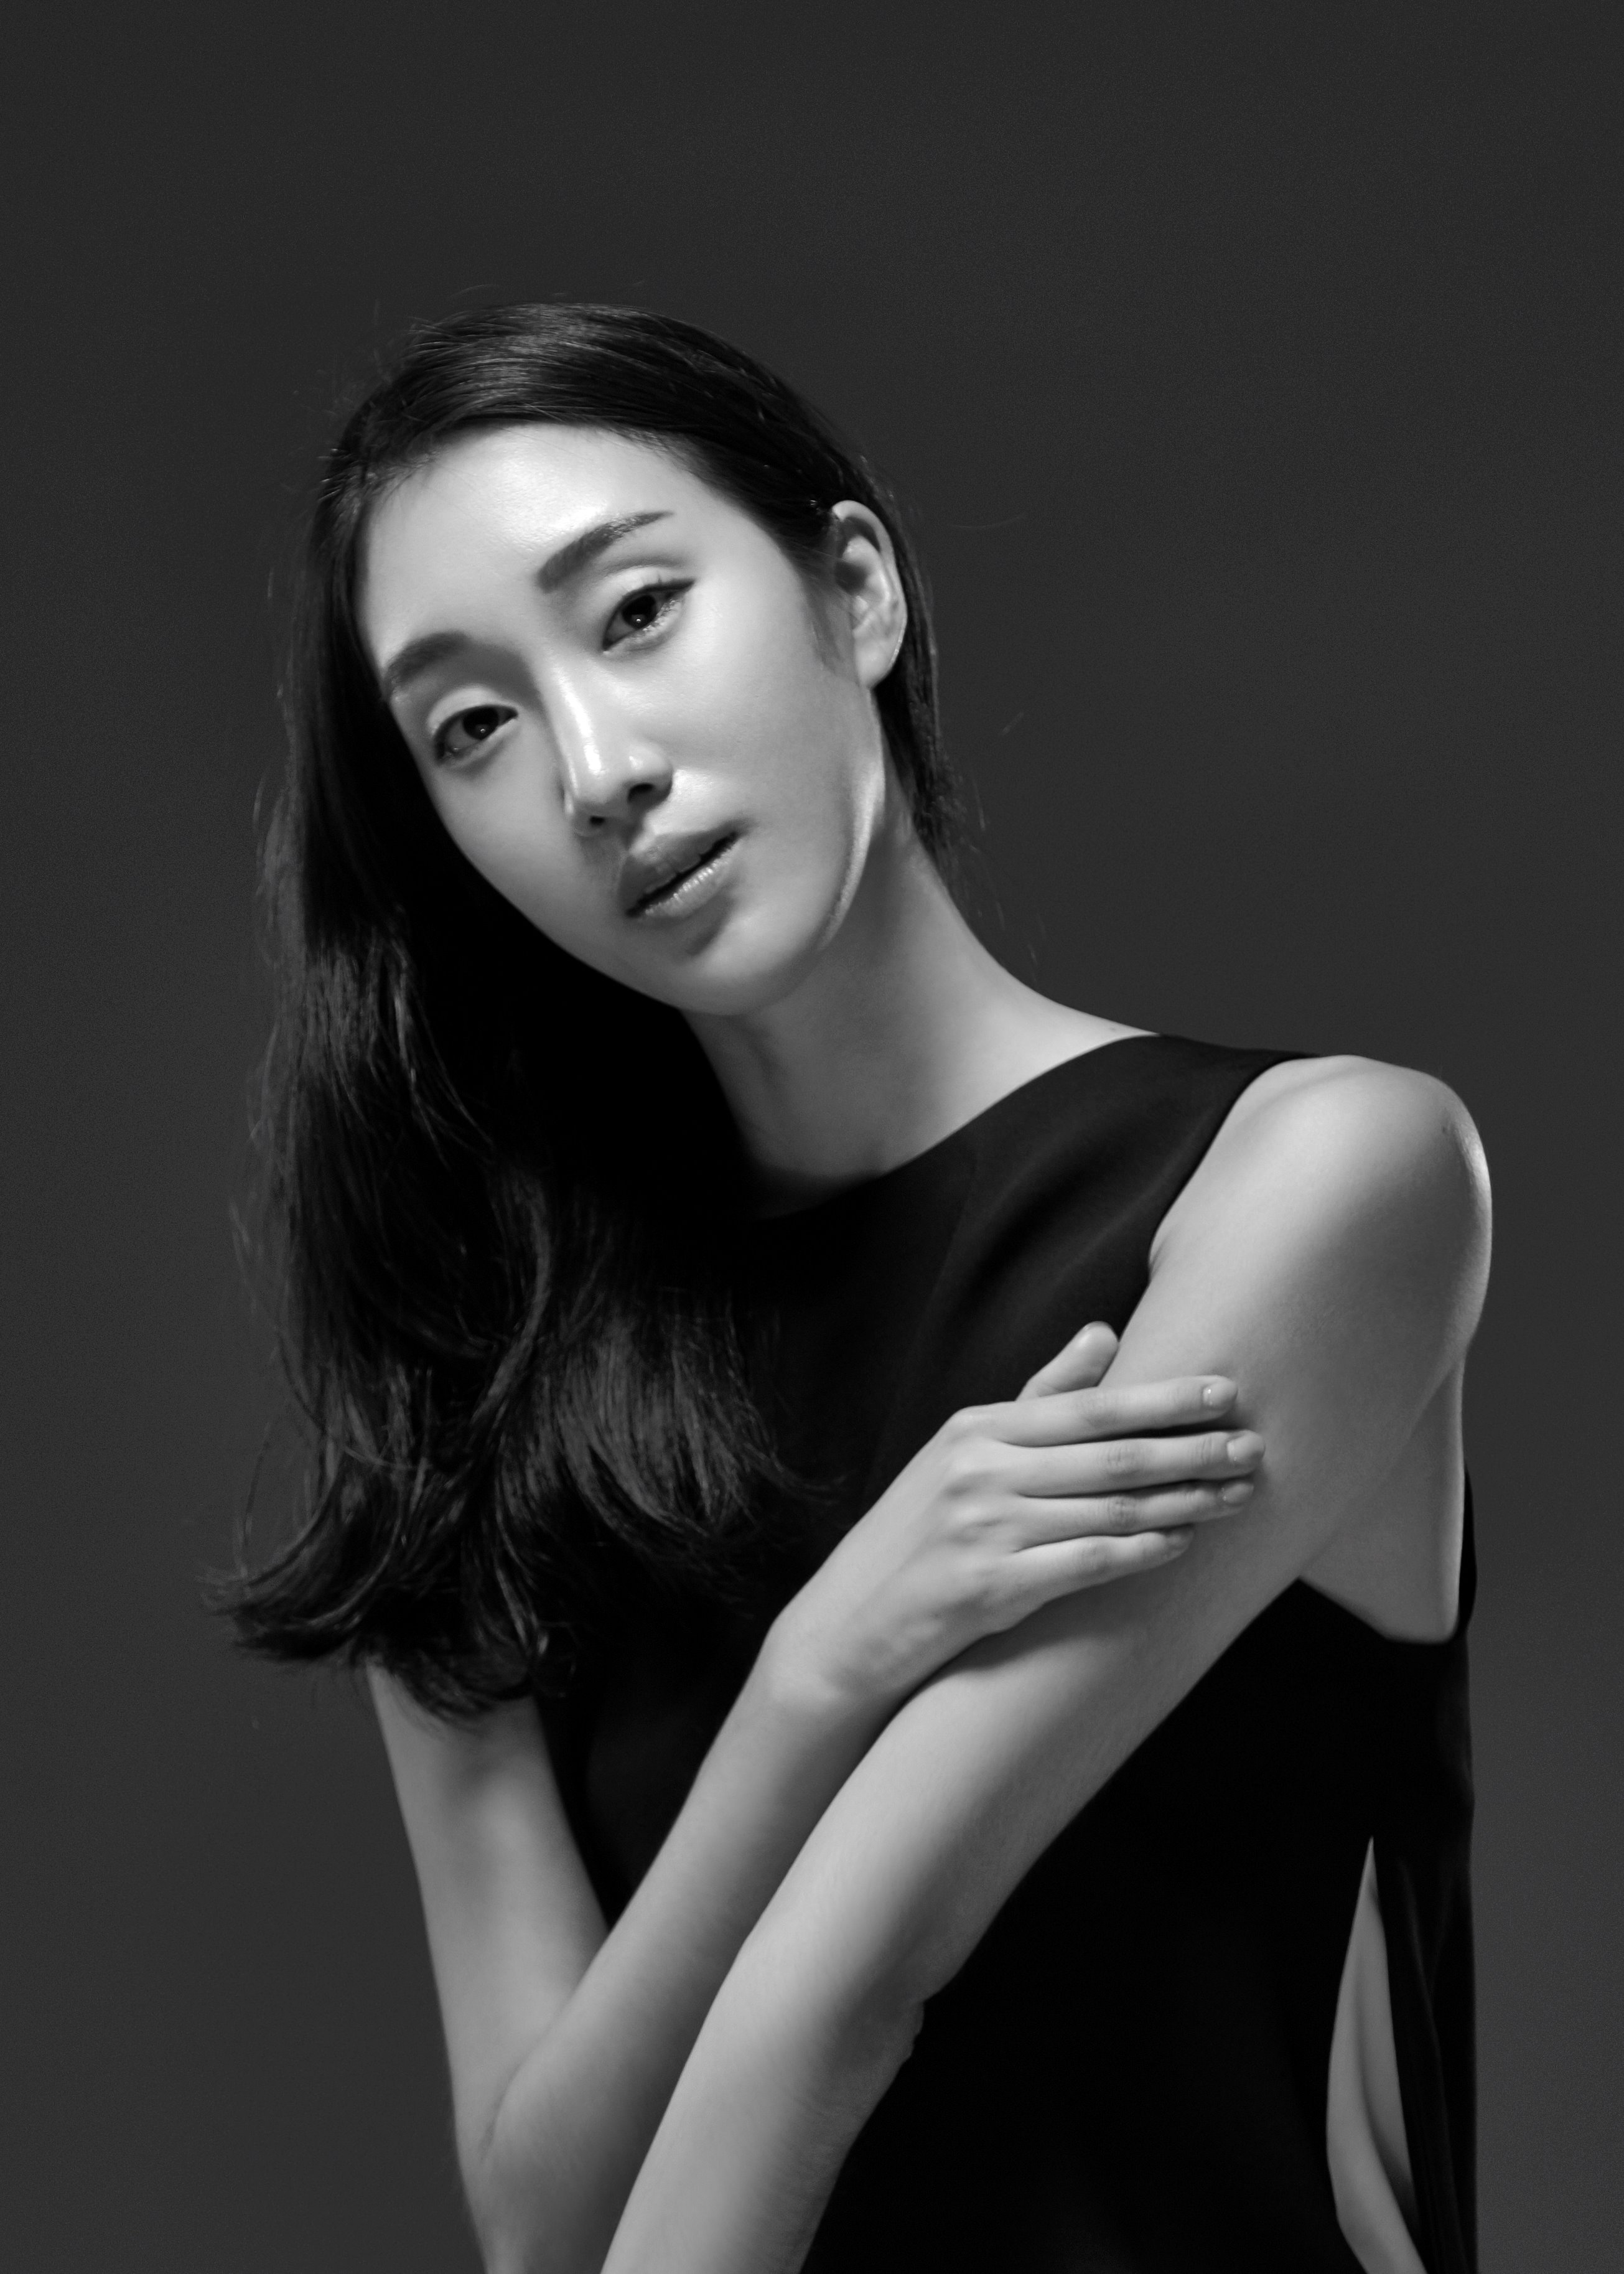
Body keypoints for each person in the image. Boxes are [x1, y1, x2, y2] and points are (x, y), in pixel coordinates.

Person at [224, 302, 1490, 2274]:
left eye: (637, 612)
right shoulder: (485, 1392)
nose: (594, 771)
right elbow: (546, 2220)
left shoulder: (1313, 1181)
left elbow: (841, 2001)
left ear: (856, 593)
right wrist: (815, 1675)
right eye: (471, 728)